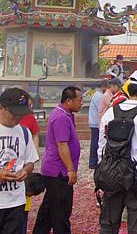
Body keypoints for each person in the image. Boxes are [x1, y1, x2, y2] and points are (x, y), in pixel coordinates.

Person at [97, 71, 137, 234]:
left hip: (111, 175)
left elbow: (102, 147)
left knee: (108, 225)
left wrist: (102, 172)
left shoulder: (110, 112)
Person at [33, 87, 82, 234]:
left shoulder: (67, 114)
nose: (82, 103)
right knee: (61, 211)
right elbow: (62, 145)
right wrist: (71, 169)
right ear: (68, 101)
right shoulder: (60, 117)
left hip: (57, 170)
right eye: (79, 100)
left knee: (48, 210)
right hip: (59, 171)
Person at [0, 88, 38, 234]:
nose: (17, 118)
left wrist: (26, 171)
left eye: (21, 114)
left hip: (16, 203)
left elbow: (29, 161)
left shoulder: (23, 132)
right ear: (1, 107)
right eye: (14, 113)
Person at [88, 80, 108, 169]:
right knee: (95, 143)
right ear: (103, 86)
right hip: (96, 122)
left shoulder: (97, 95)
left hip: (94, 121)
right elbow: (101, 110)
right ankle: (93, 162)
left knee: (95, 142)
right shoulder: (99, 96)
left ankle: (93, 161)